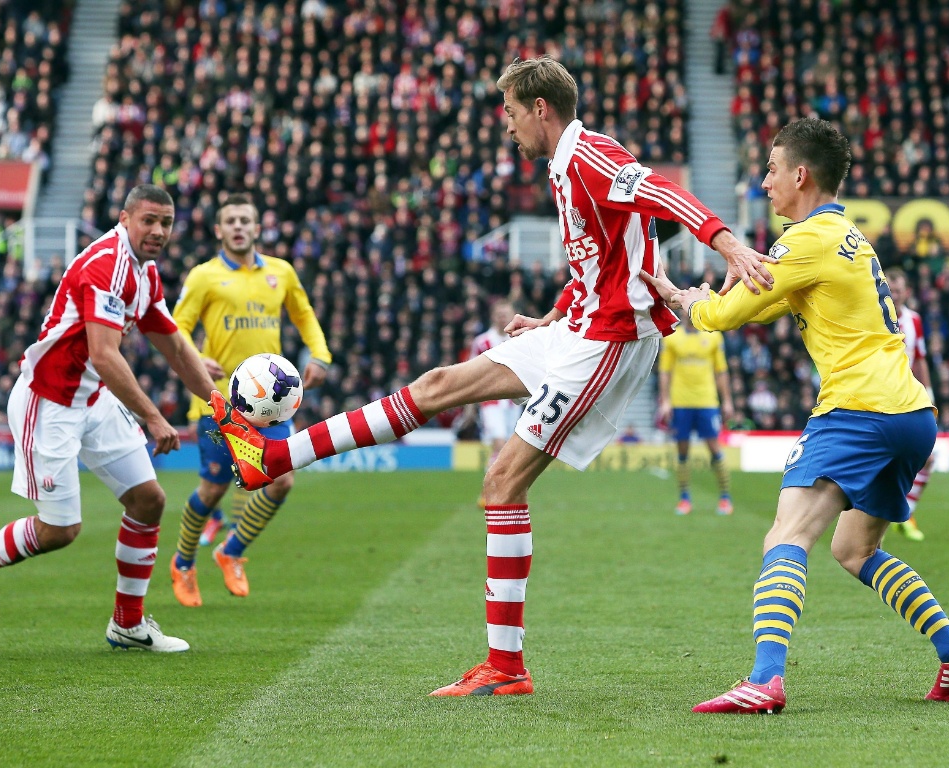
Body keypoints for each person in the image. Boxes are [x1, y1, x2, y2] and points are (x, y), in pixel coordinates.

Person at [209, 57, 772, 696]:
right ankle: (272, 457)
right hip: (574, 327)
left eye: (509, 113)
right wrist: (556, 313)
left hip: (606, 343)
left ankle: (506, 668)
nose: (506, 128)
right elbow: (600, 257)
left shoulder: (591, 155)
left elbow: (663, 191)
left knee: (500, 486)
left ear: (540, 109)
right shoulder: (566, 167)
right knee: (436, 385)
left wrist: (728, 243)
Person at [644, 118, 949, 713]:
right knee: (855, 550)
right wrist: (709, 297)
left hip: (858, 409)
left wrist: (684, 298)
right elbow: (764, 303)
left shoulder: (804, 240)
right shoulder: (844, 238)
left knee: (787, 533)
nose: (763, 182)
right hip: (911, 412)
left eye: (770, 169)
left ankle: (765, 680)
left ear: (800, 174)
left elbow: (729, 314)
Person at [0, 185, 217, 651]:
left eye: (165, 223)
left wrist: (221, 408)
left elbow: (172, 345)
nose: (158, 231)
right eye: (148, 220)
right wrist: (152, 416)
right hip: (49, 403)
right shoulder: (104, 265)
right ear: (125, 218)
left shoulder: (145, 273)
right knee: (59, 531)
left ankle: (127, 624)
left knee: (149, 500)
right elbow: (105, 356)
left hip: (93, 399)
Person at [168, 193, 331, 607]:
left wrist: (320, 354)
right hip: (218, 402)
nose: (239, 226)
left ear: (258, 228)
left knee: (283, 481)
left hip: (272, 405)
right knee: (213, 489)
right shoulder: (204, 276)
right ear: (219, 230)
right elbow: (174, 327)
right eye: (231, 221)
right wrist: (195, 357)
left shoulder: (281, 272)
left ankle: (232, 551)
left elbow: (305, 314)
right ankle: (183, 563)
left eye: (246, 220)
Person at [657, 310, 734, 515]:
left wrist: (727, 400)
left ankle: (725, 497)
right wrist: (665, 400)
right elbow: (665, 371)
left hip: (707, 400)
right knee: (682, 451)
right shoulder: (672, 338)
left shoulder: (714, 336)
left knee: (714, 448)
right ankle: (684, 499)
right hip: (680, 401)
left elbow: (721, 371)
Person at [886, 267, 933, 543]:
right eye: (890, 287)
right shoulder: (877, 316)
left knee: (928, 457)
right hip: (882, 398)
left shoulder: (914, 321)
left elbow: (920, 358)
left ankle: (906, 513)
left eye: (899, 287)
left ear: (907, 292)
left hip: (910, 397)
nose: (895, 292)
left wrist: (928, 393)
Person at [469, 298, 523, 507]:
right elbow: (470, 372)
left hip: (514, 402)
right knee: (499, 444)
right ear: (493, 316)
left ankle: (502, 492)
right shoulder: (482, 342)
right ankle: (488, 494)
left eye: (506, 314)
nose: (503, 318)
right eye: (499, 314)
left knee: (508, 449)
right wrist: (470, 405)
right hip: (490, 402)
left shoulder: (519, 339)